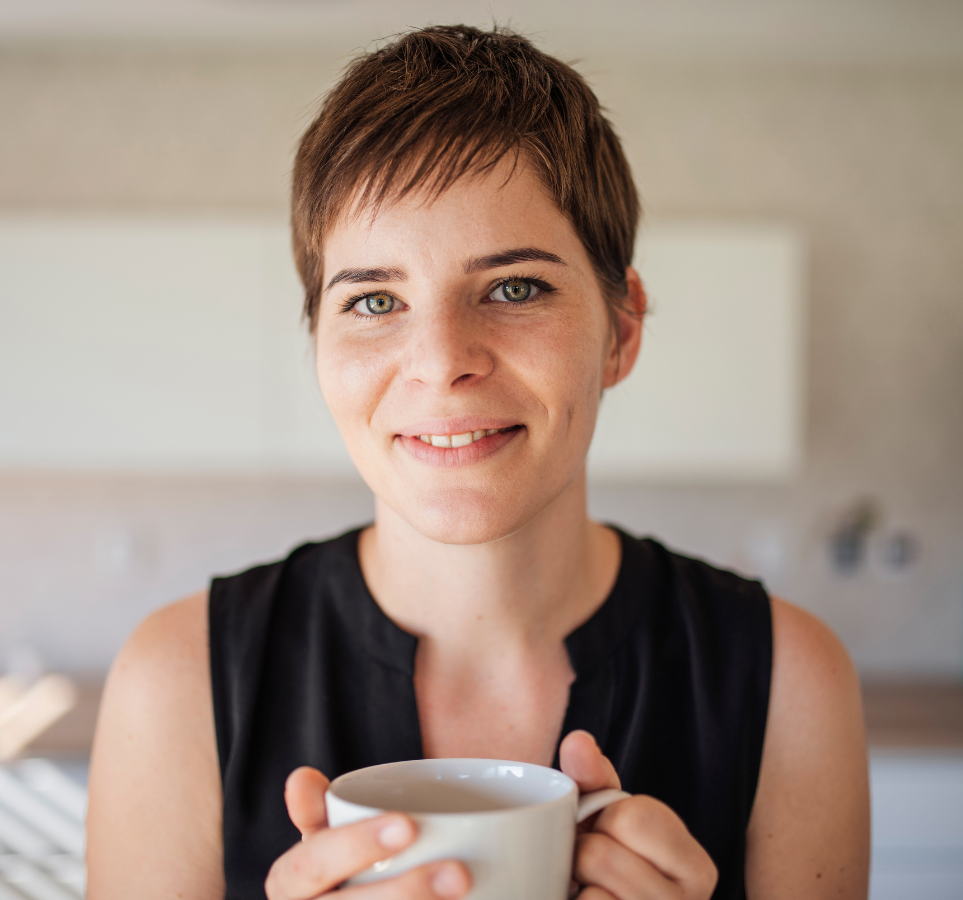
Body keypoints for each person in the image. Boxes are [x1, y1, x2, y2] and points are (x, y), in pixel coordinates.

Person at [87, 25, 869, 900]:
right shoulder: (175, 683)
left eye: (514, 287)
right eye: (375, 300)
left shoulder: (791, 681)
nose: (440, 360)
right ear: (318, 341)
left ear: (622, 329)